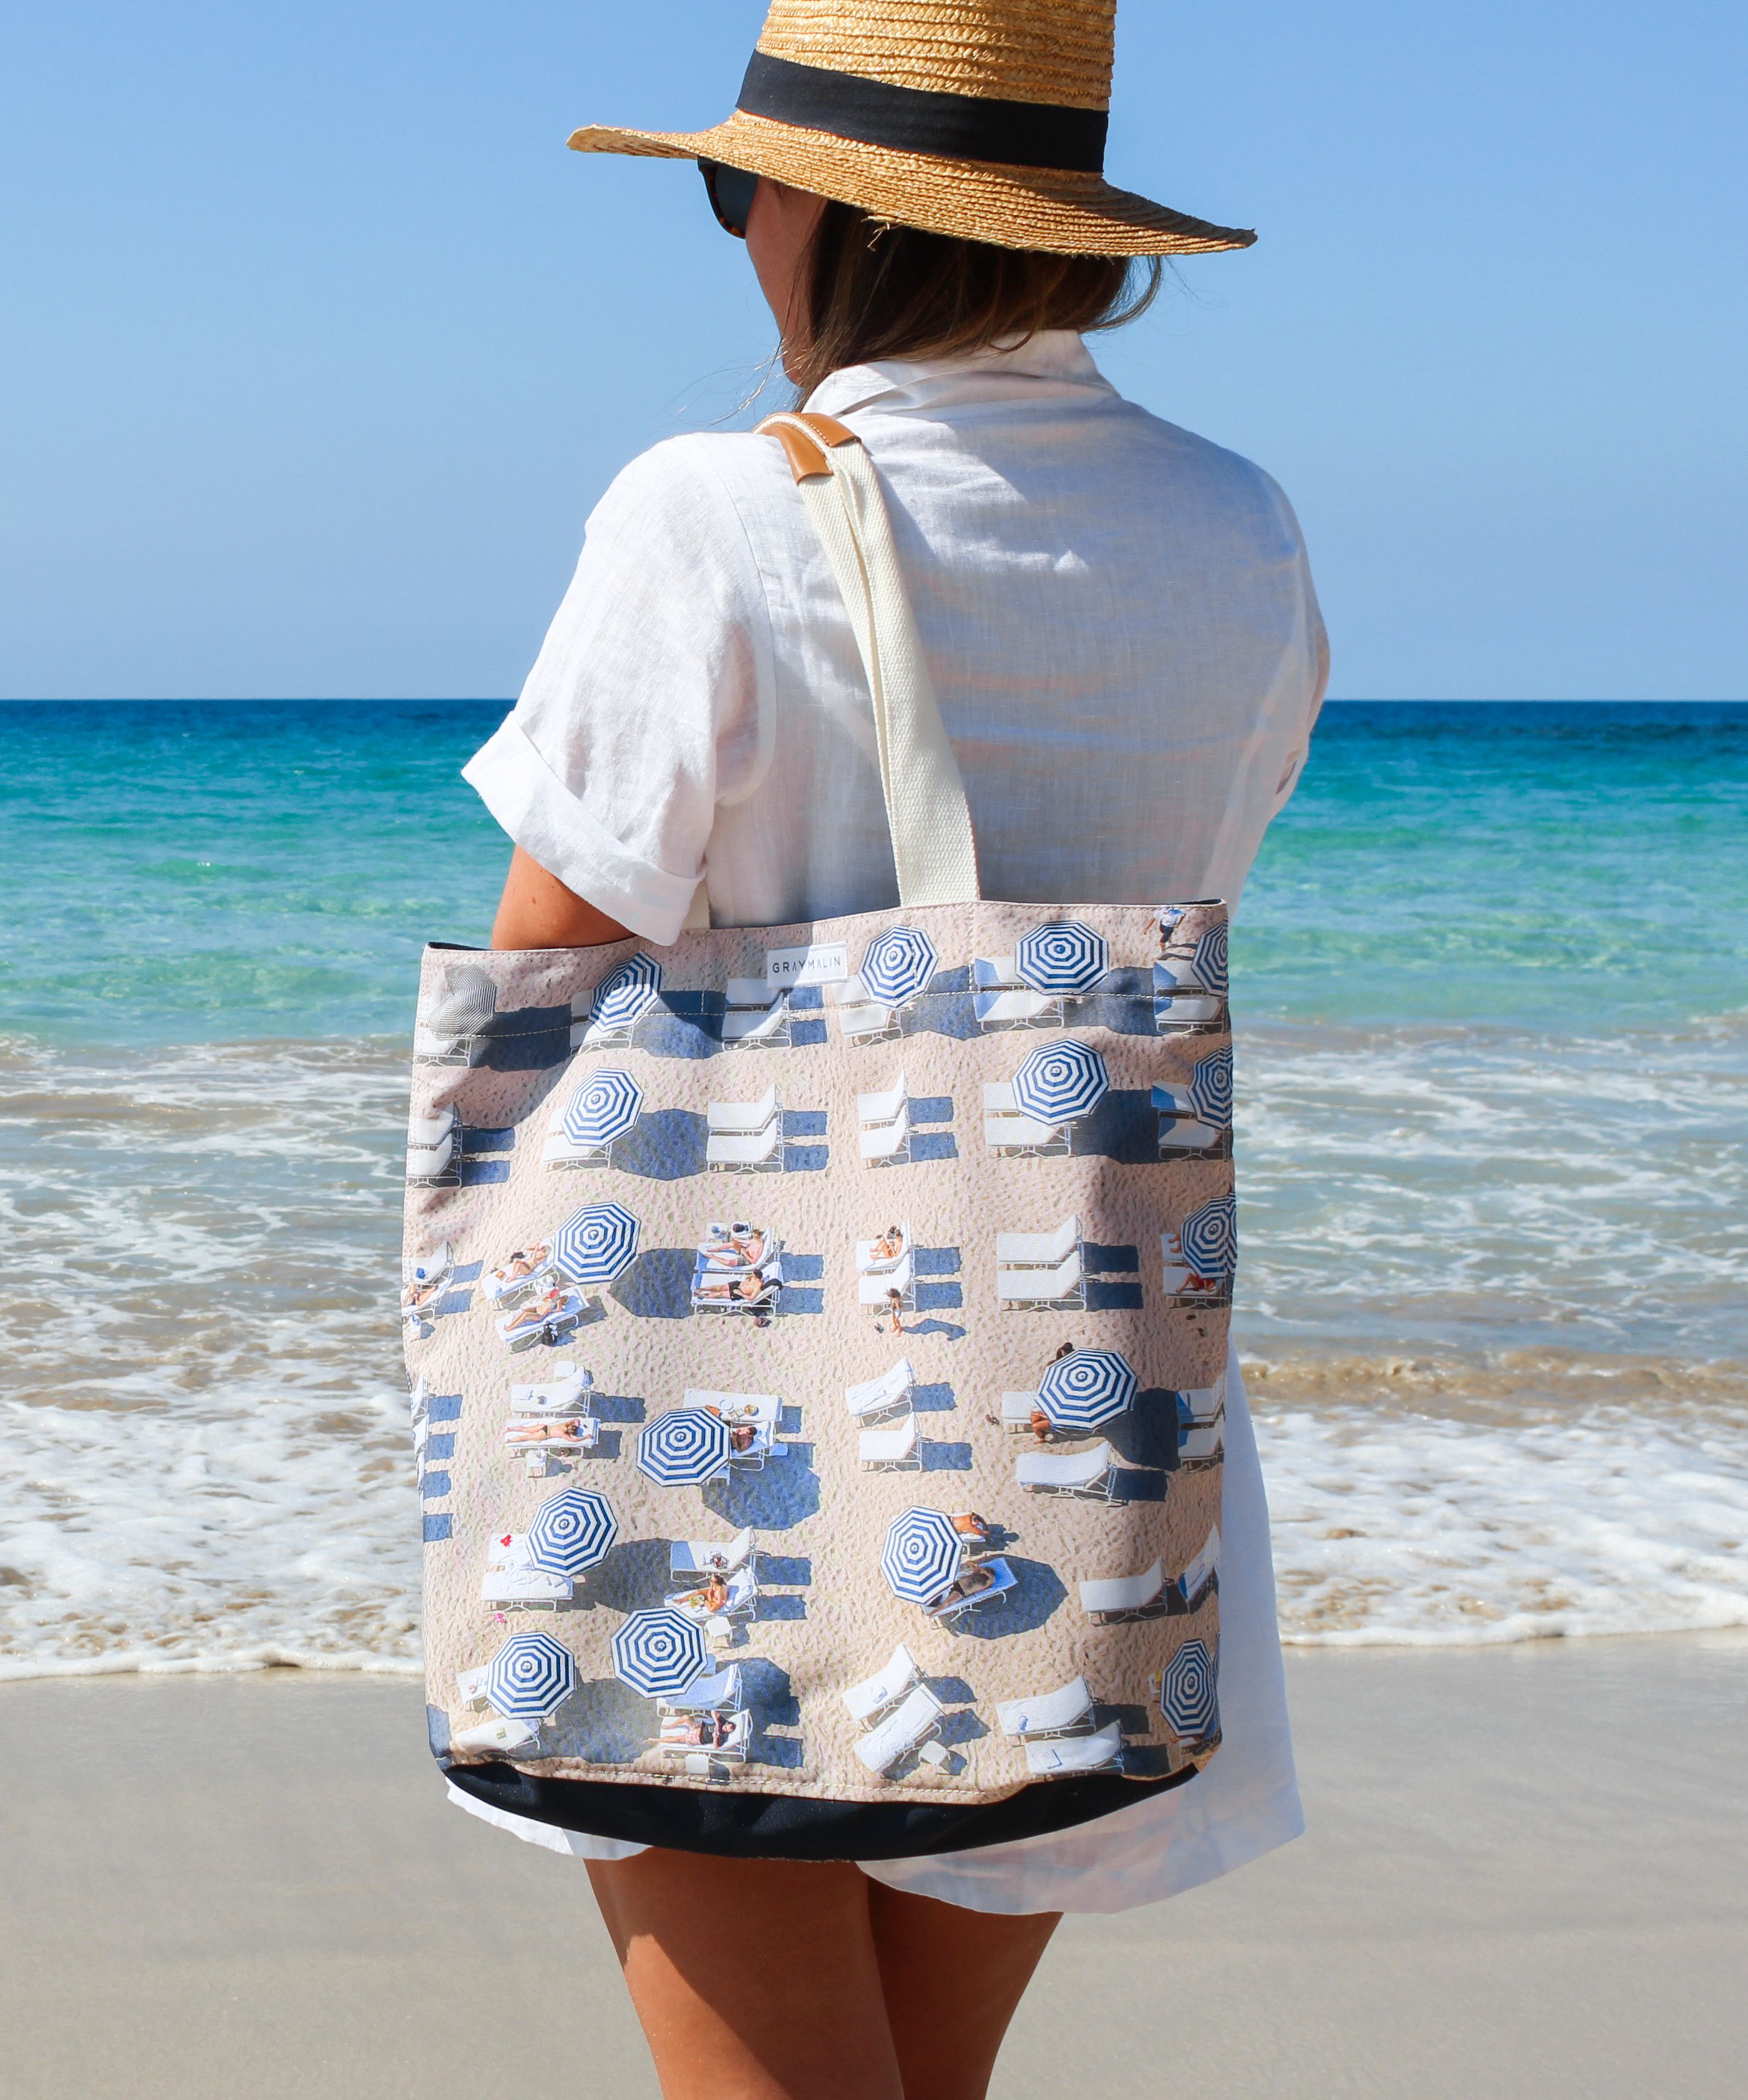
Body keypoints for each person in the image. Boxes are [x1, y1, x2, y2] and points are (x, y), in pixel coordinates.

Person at [445, 6, 1318, 2094]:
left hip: (719, 1428)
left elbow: (552, 991)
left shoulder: (709, 518)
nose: (736, 236)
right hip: (1067, 1440)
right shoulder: (1244, 528)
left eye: (735, 191)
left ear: (826, 212)